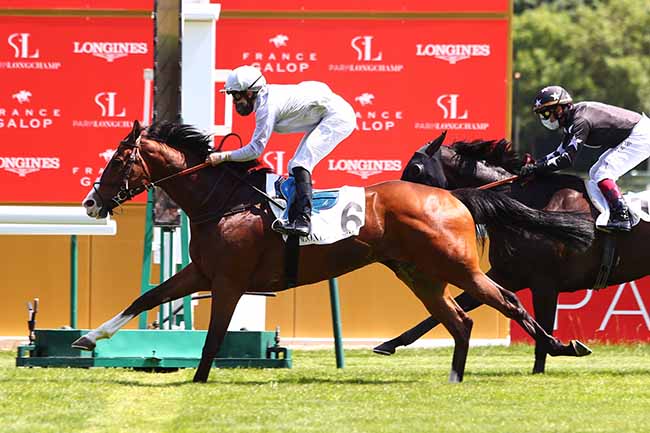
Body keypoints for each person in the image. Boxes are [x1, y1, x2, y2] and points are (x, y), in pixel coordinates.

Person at [206, 65, 356, 237]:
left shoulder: (267, 107)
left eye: (236, 95)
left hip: (337, 117)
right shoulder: (264, 100)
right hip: (324, 113)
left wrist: (223, 156)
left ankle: (303, 221)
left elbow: (255, 150)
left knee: (300, 164)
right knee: (294, 166)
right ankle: (294, 215)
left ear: (249, 92)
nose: (234, 102)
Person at [521, 85, 650, 232]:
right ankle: (610, 209)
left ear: (559, 109)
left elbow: (567, 159)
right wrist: (536, 164)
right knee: (594, 173)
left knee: (603, 173)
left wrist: (537, 168)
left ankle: (622, 216)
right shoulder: (572, 119)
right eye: (542, 115)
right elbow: (559, 152)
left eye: (545, 113)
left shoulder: (580, 121)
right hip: (637, 132)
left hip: (641, 135)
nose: (545, 118)